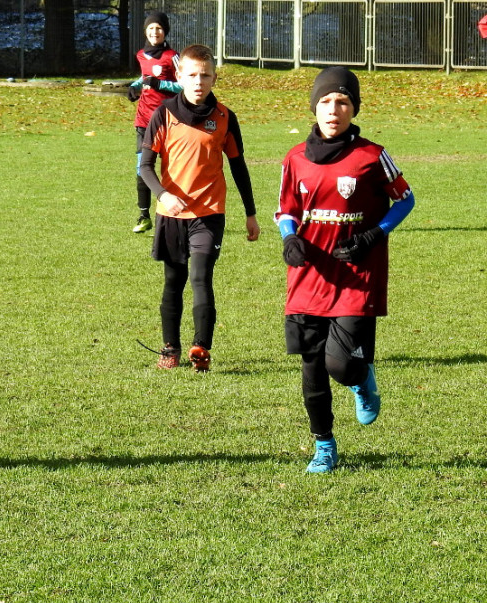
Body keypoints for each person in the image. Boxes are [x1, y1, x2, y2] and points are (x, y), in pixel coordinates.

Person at [276, 67, 414, 474]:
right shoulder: (295, 158)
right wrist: (289, 237)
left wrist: (375, 234)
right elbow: (286, 209)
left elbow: (405, 200)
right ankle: (324, 446)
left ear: (354, 108)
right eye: (325, 102)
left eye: (342, 102)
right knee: (312, 367)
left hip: (357, 275)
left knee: (338, 363)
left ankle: (360, 376)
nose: (333, 110)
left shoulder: (372, 155)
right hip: (309, 277)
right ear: (314, 108)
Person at [138, 43, 260, 372]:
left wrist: (250, 213)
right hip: (171, 215)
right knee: (173, 282)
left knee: (201, 278)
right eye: (192, 75)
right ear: (179, 76)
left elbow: (238, 166)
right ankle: (169, 348)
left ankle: (201, 349)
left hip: (209, 213)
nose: (198, 81)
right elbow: (145, 167)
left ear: (214, 78)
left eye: (205, 75)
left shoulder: (224, 117)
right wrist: (163, 195)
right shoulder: (163, 115)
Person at [127, 11, 181, 234]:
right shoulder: (141, 55)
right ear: (145, 31)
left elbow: (183, 86)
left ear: (165, 31)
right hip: (143, 121)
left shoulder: (172, 56)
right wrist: (135, 86)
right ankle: (143, 215)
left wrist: (160, 86)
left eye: (158, 28)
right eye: (150, 28)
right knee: (142, 168)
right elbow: (144, 77)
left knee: (172, 168)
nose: (154, 32)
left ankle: (174, 212)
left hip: (167, 121)